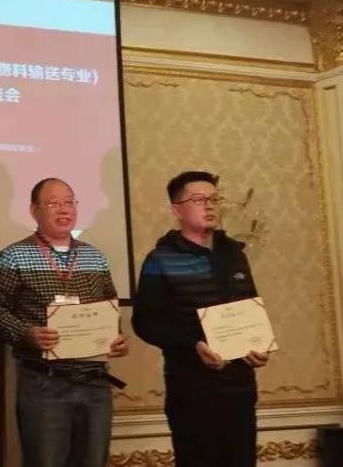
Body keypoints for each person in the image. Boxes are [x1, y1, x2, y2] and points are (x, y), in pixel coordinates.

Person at [0, 177, 128, 467]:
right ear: (34, 210)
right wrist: (26, 333)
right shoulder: (14, 255)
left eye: (69, 202)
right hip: (44, 384)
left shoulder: (95, 256)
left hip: (94, 382)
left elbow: (109, 307)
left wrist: (117, 337)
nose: (63, 209)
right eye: (53, 203)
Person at [132, 171, 268, 467]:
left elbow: (249, 308)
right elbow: (144, 322)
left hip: (240, 388)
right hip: (191, 389)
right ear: (177, 210)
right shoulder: (160, 259)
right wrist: (193, 345)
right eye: (198, 200)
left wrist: (259, 344)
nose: (209, 206)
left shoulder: (235, 253)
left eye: (214, 199)